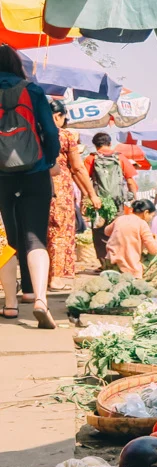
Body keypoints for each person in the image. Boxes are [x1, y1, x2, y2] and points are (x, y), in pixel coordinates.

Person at [0, 44, 61, 328]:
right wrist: (48, 159)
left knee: (7, 241)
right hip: (34, 169)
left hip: (1, 174)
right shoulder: (33, 90)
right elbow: (49, 130)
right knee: (35, 237)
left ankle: (11, 306)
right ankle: (39, 300)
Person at [47, 99, 99, 292]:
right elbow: (77, 168)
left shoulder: (33, 135)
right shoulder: (65, 136)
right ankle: (55, 278)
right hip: (58, 190)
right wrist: (92, 194)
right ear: (57, 116)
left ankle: (34, 282)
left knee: (38, 234)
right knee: (59, 233)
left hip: (33, 188)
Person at [85, 131, 139, 263]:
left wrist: (85, 201)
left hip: (99, 202)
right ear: (110, 143)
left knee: (99, 232)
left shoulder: (91, 158)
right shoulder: (120, 158)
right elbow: (131, 181)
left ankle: (104, 263)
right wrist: (134, 199)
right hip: (117, 202)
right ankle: (118, 262)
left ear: (95, 145)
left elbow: (85, 181)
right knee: (117, 231)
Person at [104, 199, 157, 278]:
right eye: (152, 215)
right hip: (129, 266)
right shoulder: (142, 224)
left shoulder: (120, 218)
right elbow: (153, 250)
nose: (151, 218)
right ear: (146, 213)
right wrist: (155, 240)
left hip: (110, 261)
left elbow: (106, 231)